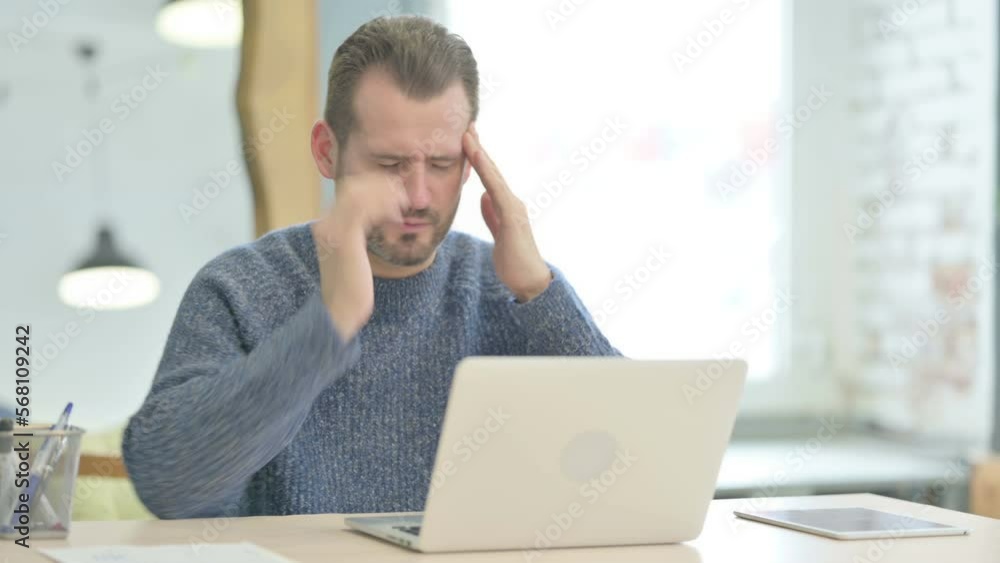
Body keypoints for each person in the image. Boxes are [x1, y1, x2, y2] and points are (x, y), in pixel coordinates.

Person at [123, 15, 619, 519]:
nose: (419, 196)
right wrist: (331, 323)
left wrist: (540, 290)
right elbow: (168, 487)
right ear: (326, 151)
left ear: (472, 163)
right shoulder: (239, 288)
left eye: (443, 164)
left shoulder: (516, 292)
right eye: (389, 164)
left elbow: (634, 466)